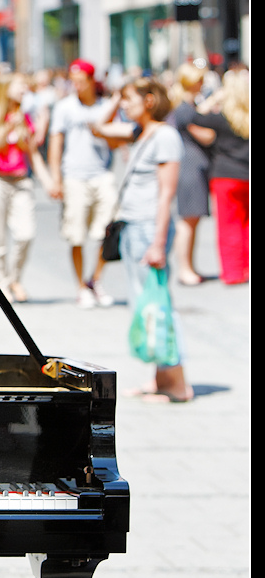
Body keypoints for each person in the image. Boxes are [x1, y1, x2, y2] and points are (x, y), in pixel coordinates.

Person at [97, 77, 192, 403]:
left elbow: (166, 193)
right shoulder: (142, 132)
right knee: (145, 303)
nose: (124, 105)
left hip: (147, 227)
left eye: (129, 99)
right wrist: (113, 99)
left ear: (149, 101)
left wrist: (157, 242)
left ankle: (177, 382)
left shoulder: (164, 136)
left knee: (158, 304)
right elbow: (99, 128)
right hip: (132, 224)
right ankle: (160, 378)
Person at [47, 59, 121, 308]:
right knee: (76, 234)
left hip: (101, 173)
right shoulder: (64, 107)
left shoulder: (105, 107)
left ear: (91, 81)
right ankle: (81, 286)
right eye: (73, 81)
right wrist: (55, 178)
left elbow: (115, 143)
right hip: (74, 175)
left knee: (108, 230)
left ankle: (95, 279)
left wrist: (103, 131)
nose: (76, 86)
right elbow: (56, 142)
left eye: (80, 81)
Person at [0, 72, 53, 303]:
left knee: (25, 234)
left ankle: (14, 278)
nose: (24, 89)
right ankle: (2, 284)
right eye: (20, 85)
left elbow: (32, 153)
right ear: (6, 87)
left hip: (21, 181)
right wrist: (8, 127)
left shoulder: (24, 117)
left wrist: (49, 182)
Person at [189, 69, 250, 286]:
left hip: (225, 176)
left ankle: (233, 273)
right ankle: (245, 268)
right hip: (247, 175)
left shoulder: (222, 117)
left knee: (228, 226)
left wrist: (215, 97)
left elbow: (195, 115)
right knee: (244, 225)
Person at [166, 62, 214, 286]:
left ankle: (189, 267)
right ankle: (184, 268)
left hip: (192, 165)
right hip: (189, 167)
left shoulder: (186, 106)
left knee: (192, 219)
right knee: (188, 219)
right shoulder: (184, 109)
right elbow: (206, 136)